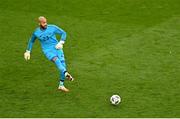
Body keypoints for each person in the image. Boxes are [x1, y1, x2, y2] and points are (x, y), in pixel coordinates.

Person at [24, 16, 74, 92]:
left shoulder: (52, 27)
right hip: (47, 50)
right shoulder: (36, 32)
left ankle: (61, 85)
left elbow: (63, 33)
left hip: (57, 48)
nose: (45, 24)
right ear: (39, 23)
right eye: (43, 23)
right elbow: (31, 41)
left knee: (63, 65)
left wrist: (61, 42)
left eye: (46, 22)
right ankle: (66, 73)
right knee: (57, 61)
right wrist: (28, 51)